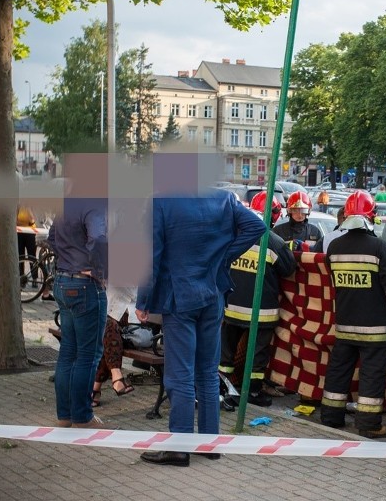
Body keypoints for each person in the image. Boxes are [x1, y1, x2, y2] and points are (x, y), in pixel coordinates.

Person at [136, 186, 264, 467]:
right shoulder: (223, 198)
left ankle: (179, 448)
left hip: (180, 297)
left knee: (180, 375)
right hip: (213, 294)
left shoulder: (162, 200)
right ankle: (210, 444)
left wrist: (143, 300)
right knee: (207, 373)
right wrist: (223, 258)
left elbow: (152, 255)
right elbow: (257, 225)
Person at [321, 190, 386, 438]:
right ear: (372, 217)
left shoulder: (334, 246)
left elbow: (334, 281)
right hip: (375, 328)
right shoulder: (381, 248)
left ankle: (331, 418)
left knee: (338, 370)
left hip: (345, 324)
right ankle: (368, 425)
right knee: (371, 374)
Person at [219, 191, 295, 407]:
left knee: (226, 354)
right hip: (260, 312)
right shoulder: (274, 242)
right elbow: (289, 269)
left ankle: (223, 389)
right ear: (274, 215)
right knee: (257, 355)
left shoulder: (233, 236)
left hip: (231, 307)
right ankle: (252, 392)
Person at [49, 186, 109, 429]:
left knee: (68, 353)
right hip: (85, 286)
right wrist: (100, 269)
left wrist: (67, 260)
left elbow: (52, 237)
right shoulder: (93, 202)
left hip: (63, 280)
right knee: (88, 354)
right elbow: (100, 239)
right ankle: (82, 417)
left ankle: (65, 415)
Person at [91, 287, 138, 407]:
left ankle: (95, 389)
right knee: (107, 331)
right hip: (113, 318)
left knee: (106, 330)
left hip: (135, 323)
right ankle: (116, 376)